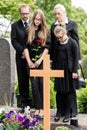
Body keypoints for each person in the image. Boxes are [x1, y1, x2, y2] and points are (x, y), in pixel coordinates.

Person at [50, 3, 81, 119]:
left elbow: (76, 42)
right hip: (59, 62)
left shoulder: (72, 24)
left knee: (70, 89)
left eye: (59, 13)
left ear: (64, 13)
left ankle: (72, 112)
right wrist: (51, 60)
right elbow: (53, 46)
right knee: (60, 89)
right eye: (55, 14)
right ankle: (60, 111)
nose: (57, 16)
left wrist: (78, 59)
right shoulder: (53, 26)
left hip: (71, 61)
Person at [24, 9, 51, 119]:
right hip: (30, 61)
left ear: (42, 20)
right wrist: (29, 61)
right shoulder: (28, 30)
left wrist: (39, 60)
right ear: (33, 18)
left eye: (39, 19)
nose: (37, 21)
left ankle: (43, 109)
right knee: (34, 85)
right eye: (35, 19)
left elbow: (47, 47)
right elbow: (25, 47)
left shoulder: (45, 31)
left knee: (41, 84)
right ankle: (37, 108)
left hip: (41, 61)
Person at [52, 25, 78, 122]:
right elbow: (54, 57)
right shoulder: (56, 43)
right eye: (57, 37)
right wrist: (53, 70)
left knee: (68, 91)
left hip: (69, 70)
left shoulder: (72, 43)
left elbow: (76, 58)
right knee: (59, 91)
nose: (59, 39)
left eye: (61, 37)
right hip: (59, 69)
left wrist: (75, 71)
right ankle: (59, 112)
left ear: (65, 33)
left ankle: (68, 113)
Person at [11, 4, 31, 112]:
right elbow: (14, 40)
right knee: (22, 80)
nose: (25, 16)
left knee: (34, 80)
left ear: (29, 13)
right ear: (20, 13)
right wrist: (22, 51)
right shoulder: (15, 25)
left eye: (27, 13)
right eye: (23, 13)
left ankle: (36, 104)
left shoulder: (34, 23)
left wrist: (29, 52)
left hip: (32, 58)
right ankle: (24, 103)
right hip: (20, 57)